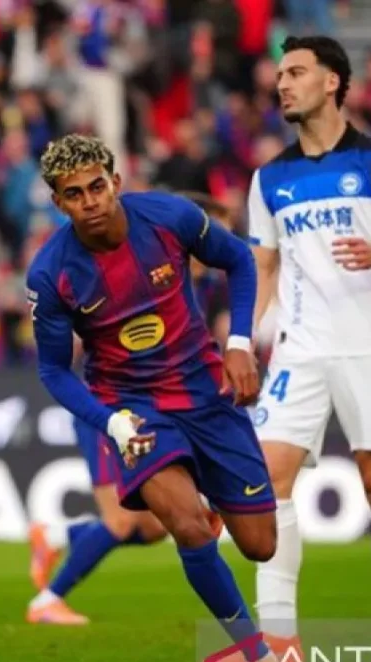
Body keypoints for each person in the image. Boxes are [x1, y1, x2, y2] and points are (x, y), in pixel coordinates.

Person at [26, 133, 283, 662]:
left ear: (116, 182)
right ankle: (256, 655)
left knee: (261, 545)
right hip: (136, 410)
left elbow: (239, 259)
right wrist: (111, 422)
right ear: (59, 203)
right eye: (75, 194)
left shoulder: (169, 217)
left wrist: (240, 343)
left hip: (206, 395)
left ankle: (205, 497)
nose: (90, 201)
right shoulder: (51, 274)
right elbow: (53, 371)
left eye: (97, 186)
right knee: (185, 526)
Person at [246, 36, 371, 662]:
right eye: (280, 74)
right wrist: (241, 340)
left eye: (297, 72)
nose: (283, 84)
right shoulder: (269, 178)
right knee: (267, 481)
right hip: (300, 350)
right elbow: (262, 268)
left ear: (332, 82)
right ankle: (279, 643)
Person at [26, 198, 230, 626]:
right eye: (210, 233)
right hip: (110, 408)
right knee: (120, 521)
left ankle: (57, 536)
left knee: (154, 528)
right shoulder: (142, 270)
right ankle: (47, 600)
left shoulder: (195, 286)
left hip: (154, 404)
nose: (212, 247)